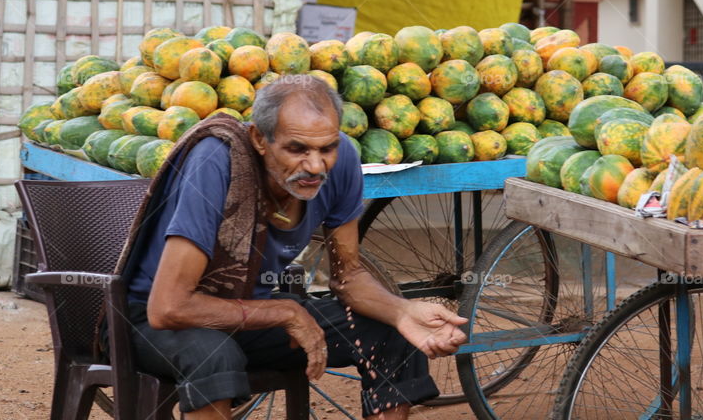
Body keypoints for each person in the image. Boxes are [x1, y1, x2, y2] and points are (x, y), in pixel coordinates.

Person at [115, 75, 467, 419]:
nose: (315, 166)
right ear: (259, 138)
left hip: (247, 314)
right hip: (152, 323)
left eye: (326, 148)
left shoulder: (342, 159)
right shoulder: (217, 161)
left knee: (390, 333)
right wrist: (285, 312)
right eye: (297, 149)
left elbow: (349, 276)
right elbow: (168, 308)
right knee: (214, 353)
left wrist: (402, 311)